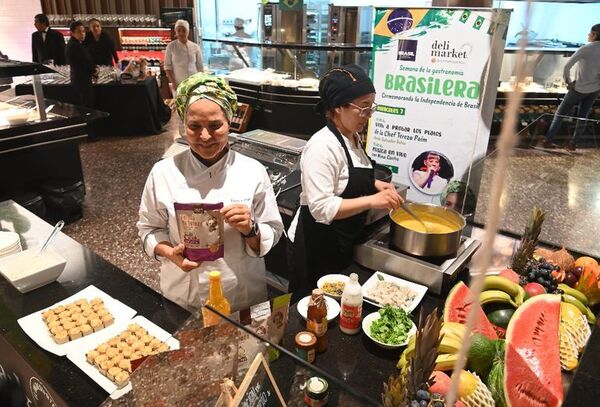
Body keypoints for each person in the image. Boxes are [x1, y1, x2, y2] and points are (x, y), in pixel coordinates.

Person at [137, 73, 284, 313]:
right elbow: (149, 228)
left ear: (230, 122)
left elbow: (273, 230)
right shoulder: (163, 172)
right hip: (185, 293)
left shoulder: (252, 171)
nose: (205, 137)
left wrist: (251, 228)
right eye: (194, 126)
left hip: (240, 293)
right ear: (184, 125)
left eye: (215, 125)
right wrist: (169, 253)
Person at [288, 65, 403, 300]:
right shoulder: (322, 146)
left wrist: (374, 184)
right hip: (315, 246)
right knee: (312, 309)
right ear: (338, 108)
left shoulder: (352, 136)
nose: (369, 114)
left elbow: (346, 178)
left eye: (372, 106)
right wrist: (372, 200)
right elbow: (321, 208)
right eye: (363, 107)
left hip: (339, 242)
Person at [544, 23, 600, 151]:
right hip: (595, 89)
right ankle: (573, 144)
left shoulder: (586, 48)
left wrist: (569, 83)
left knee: (560, 114)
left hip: (579, 88)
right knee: (583, 116)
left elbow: (566, 66)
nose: (588, 35)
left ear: (594, 34)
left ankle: (548, 140)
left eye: (589, 33)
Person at [164, 19, 203, 95]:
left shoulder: (195, 47)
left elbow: (200, 67)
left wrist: (201, 82)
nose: (181, 33)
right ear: (176, 32)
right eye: (179, 30)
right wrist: (174, 83)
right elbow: (167, 67)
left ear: (188, 32)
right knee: (180, 105)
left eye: (184, 30)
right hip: (179, 84)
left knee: (194, 105)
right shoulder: (171, 46)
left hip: (194, 84)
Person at [65, 21, 97, 108]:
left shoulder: (77, 43)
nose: (82, 34)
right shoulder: (74, 46)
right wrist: (94, 71)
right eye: (79, 31)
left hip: (80, 80)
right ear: (72, 33)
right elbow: (83, 64)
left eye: (83, 31)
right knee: (86, 107)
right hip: (82, 81)